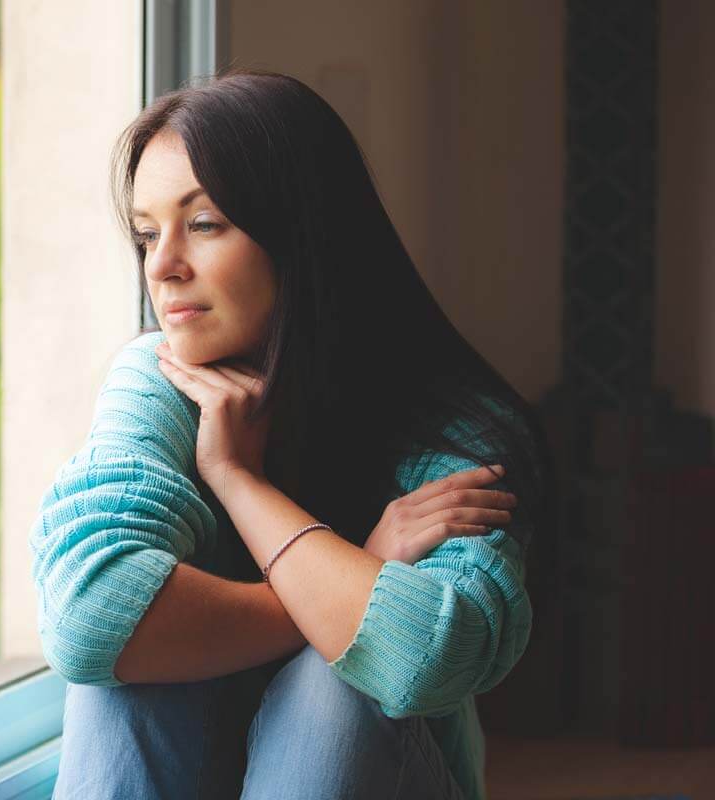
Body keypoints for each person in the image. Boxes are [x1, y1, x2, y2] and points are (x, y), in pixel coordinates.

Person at [29, 68, 554, 800]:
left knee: (341, 679)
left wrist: (239, 484)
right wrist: (352, 570)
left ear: (300, 231)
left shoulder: (451, 434)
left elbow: (418, 660)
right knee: (123, 670)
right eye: (148, 234)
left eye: (203, 224)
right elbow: (89, 617)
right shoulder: (164, 378)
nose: (163, 267)